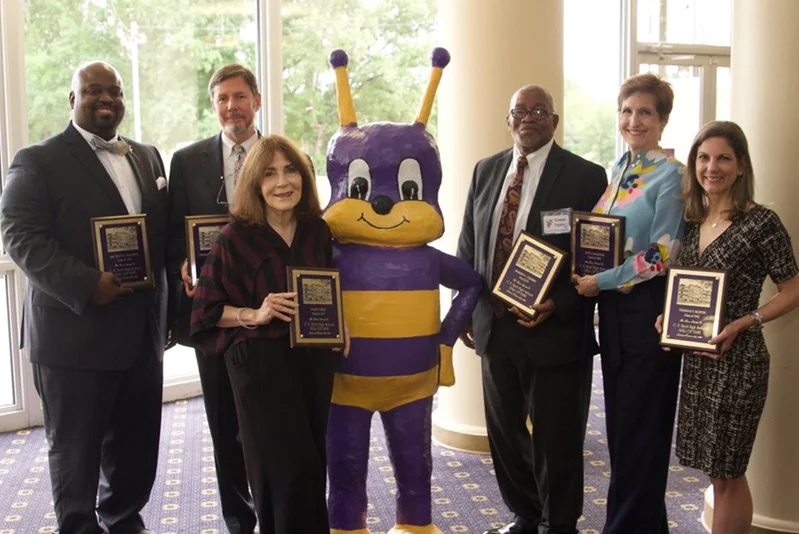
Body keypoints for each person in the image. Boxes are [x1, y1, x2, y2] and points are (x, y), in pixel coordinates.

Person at [0, 61, 168, 534]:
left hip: (140, 334)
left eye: (114, 91)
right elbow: (20, 237)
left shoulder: (147, 156)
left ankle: (123, 517)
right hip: (74, 337)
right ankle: (77, 526)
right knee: (76, 450)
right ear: (72, 99)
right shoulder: (37, 161)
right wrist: (85, 282)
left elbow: (159, 239)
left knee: (136, 445)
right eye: (93, 91)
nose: (106, 99)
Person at [457, 85, 607, 534]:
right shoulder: (486, 171)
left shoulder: (585, 176)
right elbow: (469, 242)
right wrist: (463, 307)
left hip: (554, 330)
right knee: (504, 434)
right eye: (519, 111)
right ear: (508, 120)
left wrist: (557, 303)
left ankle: (558, 524)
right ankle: (525, 514)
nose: (528, 117)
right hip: (496, 327)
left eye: (539, 110)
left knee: (556, 440)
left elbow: (596, 257)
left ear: (555, 121)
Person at [190, 135, 346, 534]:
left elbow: (327, 288)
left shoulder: (317, 231)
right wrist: (254, 313)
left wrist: (340, 325)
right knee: (283, 473)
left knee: (312, 465)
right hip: (260, 366)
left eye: (291, 170)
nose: (282, 182)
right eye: (270, 173)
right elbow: (206, 314)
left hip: (313, 361)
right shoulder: (233, 238)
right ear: (255, 183)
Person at [656, 121, 799, 533]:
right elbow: (684, 287)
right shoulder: (689, 220)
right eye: (703, 157)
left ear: (740, 166)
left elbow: (792, 289)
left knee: (728, 473)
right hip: (699, 362)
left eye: (723, 158)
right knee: (715, 472)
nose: (711, 167)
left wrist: (747, 321)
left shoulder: (761, 223)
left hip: (739, 362)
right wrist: (668, 317)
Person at [573, 73, 685, 533]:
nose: (632, 120)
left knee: (643, 431)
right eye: (626, 111)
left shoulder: (671, 176)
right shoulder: (620, 169)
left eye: (644, 112)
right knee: (621, 429)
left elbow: (663, 254)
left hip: (647, 312)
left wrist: (603, 280)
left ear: (662, 120)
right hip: (614, 315)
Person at [166, 63, 261, 534]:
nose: (231, 106)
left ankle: (278, 510)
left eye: (240, 96)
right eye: (223, 98)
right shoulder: (186, 160)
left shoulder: (280, 154)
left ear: (256, 101)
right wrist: (181, 265)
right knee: (225, 423)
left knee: (271, 419)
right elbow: (172, 232)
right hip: (211, 313)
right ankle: (239, 520)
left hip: (271, 314)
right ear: (213, 106)